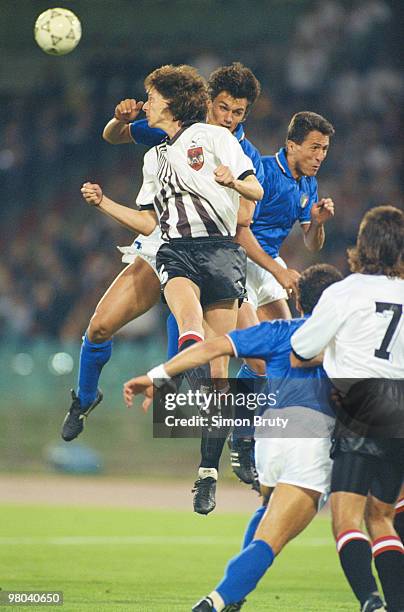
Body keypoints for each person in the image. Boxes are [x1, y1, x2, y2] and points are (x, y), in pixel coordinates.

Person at [122, 263, 352, 612]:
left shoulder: (277, 331)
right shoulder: (347, 341)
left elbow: (210, 348)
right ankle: (216, 602)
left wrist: (157, 375)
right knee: (273, 539)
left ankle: (235, 597)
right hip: (312, 439)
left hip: (271, 438)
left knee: (266, 512)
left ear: (299, 302)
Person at [291, 206, 404, 612]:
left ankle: (370, 601)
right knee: (383, 518)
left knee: (346, 518)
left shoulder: (345, 291)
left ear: (364, 244)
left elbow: (301, 348)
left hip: (361, 403)